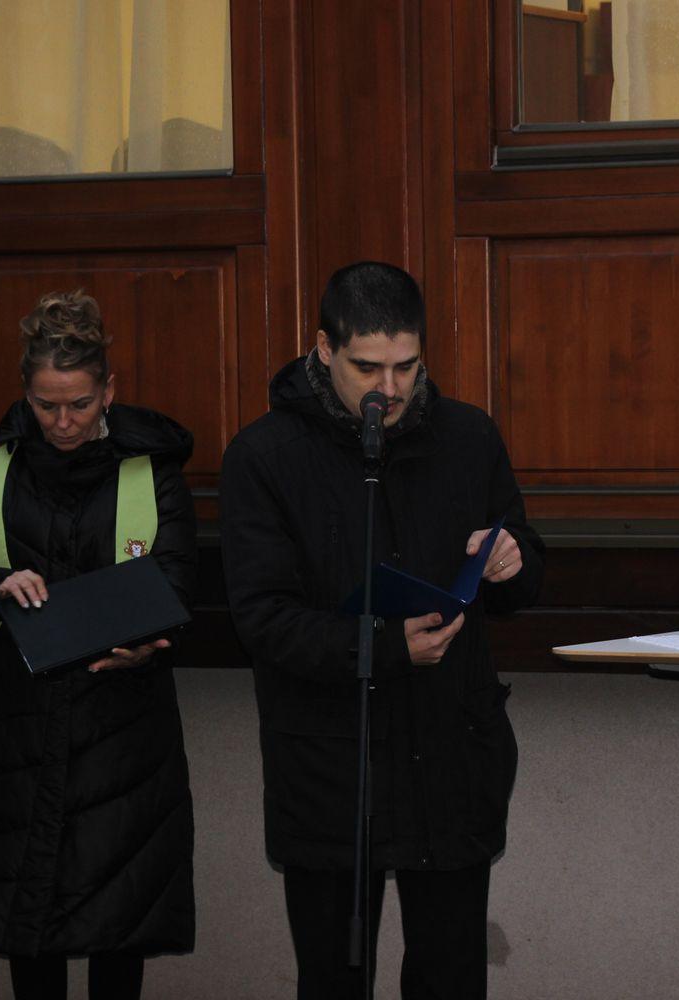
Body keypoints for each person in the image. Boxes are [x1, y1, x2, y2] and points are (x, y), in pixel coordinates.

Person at [221, 261, 544, 999]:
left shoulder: (468, 436)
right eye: (367, 367)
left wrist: (510, 560)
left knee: (451, 979)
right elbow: (262, 618)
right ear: (324, 348)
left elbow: (523, 575)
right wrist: (383, 647)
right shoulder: (265, 456)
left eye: (407, 366)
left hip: (450, 755)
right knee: (334, 979)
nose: (389, 389)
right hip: (331, 768)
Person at [0, 291, 197, 1000]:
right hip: (13, 719)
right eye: (46, 406)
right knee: (26, 909)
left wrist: (149, 644)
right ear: (26, 395)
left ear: (110, 391)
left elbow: (177, 580)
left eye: (79, 404)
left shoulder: (152, 471)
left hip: (122, 723)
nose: (63, 421)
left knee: (119, 912)